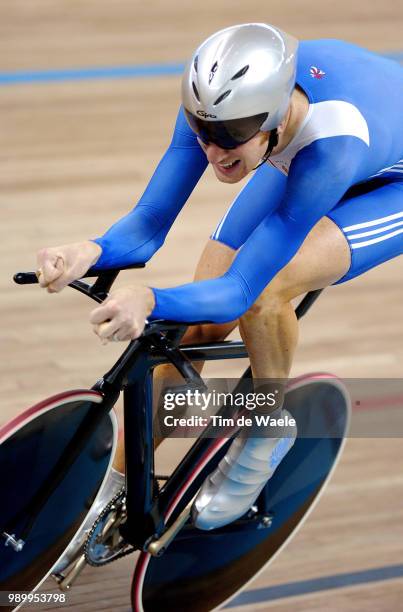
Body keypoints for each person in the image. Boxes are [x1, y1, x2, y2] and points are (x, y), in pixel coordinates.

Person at [37, 23, 403, 566]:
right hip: (318, 137)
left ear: (275, 119)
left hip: (382, 177)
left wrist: (150, 299)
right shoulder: (217, 110)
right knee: (196, 331)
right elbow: (149, 223)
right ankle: (114, 481)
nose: (213, 150)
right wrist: (91, 250)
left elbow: (239, 290)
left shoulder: (329, 145)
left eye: (232, 137)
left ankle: (263, 430)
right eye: (204, 133)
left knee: (267, 294)